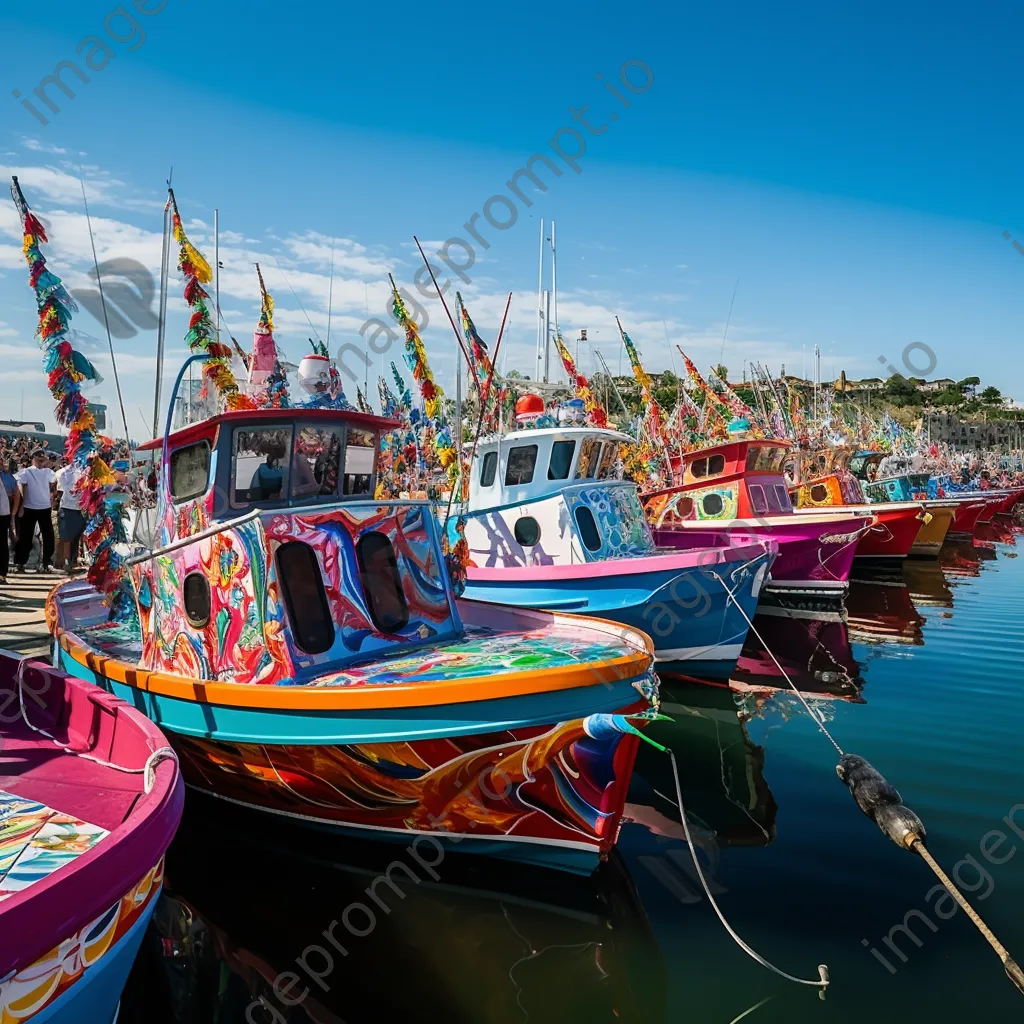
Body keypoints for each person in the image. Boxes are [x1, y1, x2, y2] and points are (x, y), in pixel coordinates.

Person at [13, 448, 57, 573]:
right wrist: (21, 506)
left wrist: (46, 462)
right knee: (25, 536)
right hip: (29, 507)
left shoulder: (48, 471)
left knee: (48, 536)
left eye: (43, 454)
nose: (41, 456)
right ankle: (20, 563)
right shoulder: (26, 472)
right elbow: (21, 486)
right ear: (33, 458)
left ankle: (47, 562)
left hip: (45, 507)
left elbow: (54, 482)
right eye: (38, 455)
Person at [55, 460, 86, 575]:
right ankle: (65, 562)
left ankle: (71, 561)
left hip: (78, 509)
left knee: (74, 537)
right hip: (67, 508)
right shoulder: (63, 473)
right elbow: (59, 491)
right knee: (66, 538)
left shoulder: (85, 472)